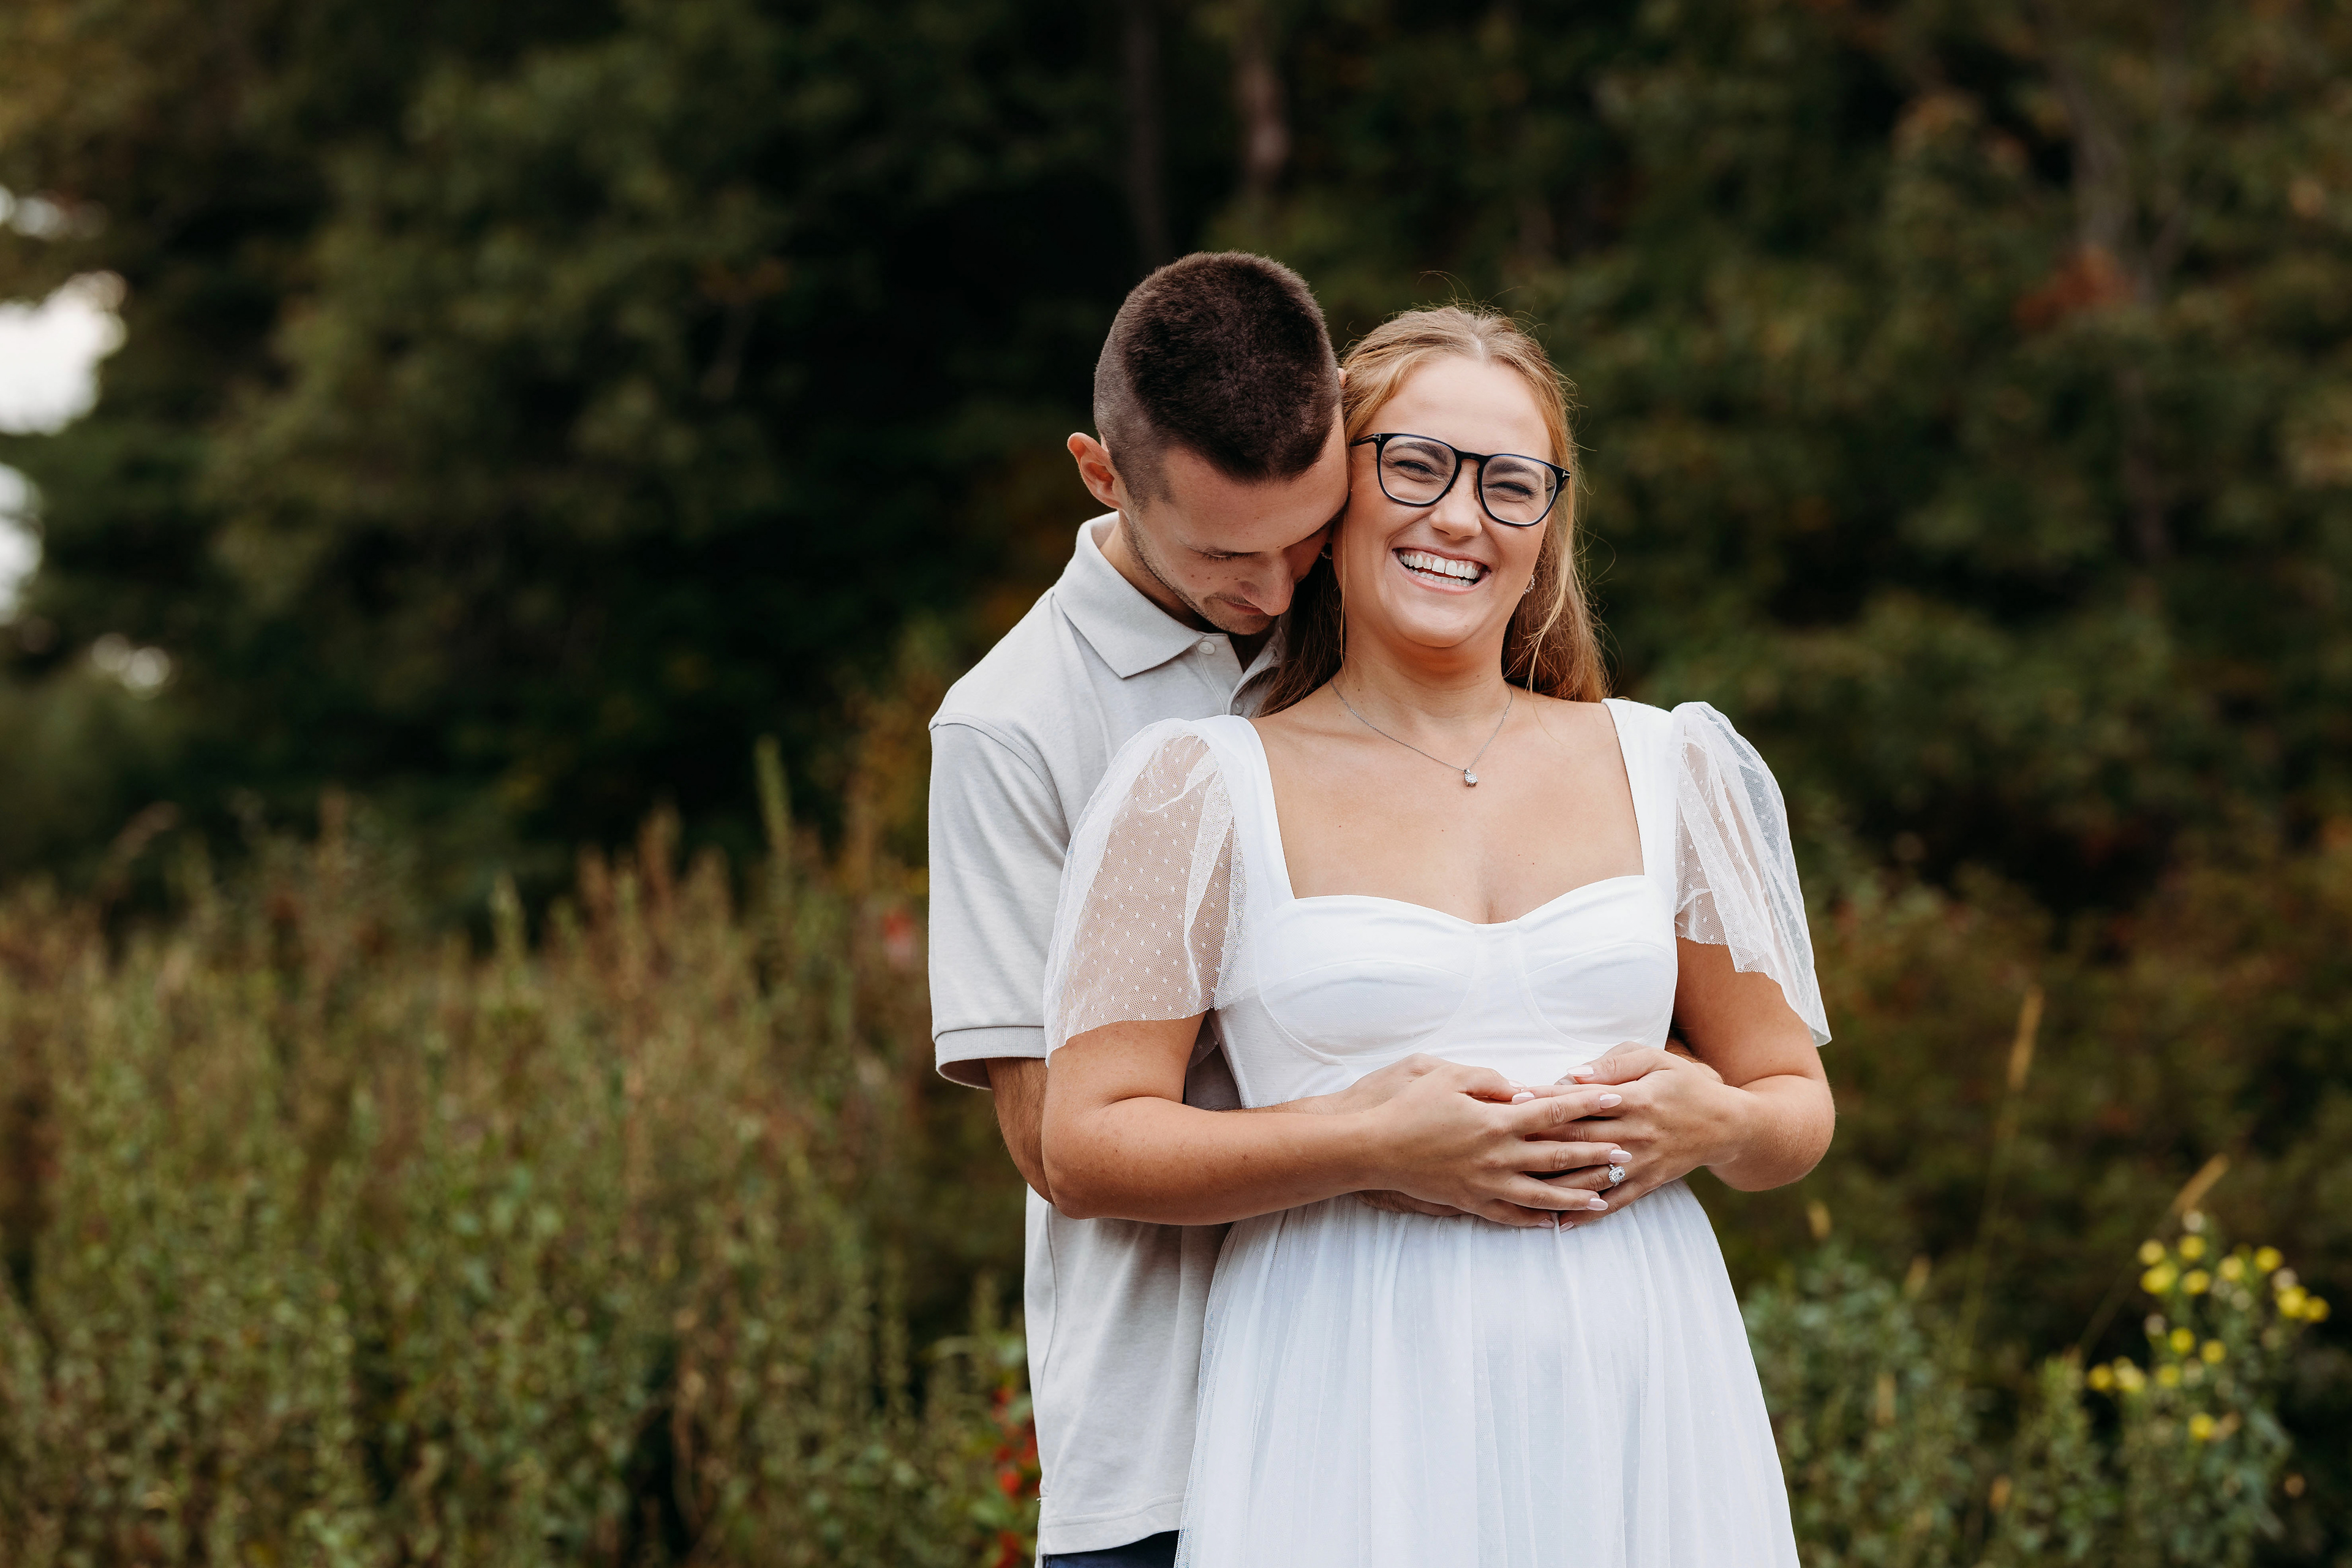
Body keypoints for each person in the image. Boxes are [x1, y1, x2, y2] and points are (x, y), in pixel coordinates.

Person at [929, 258, 1741, 1567]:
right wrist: (1379, 1141)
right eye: (1224, 556)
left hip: (1489, 1406)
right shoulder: (1016, 728)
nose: (1271, 589)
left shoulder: (1374, 601)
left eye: (1303, 532)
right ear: (1103, 478)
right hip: (1171, 1429)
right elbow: (1061, 1145)